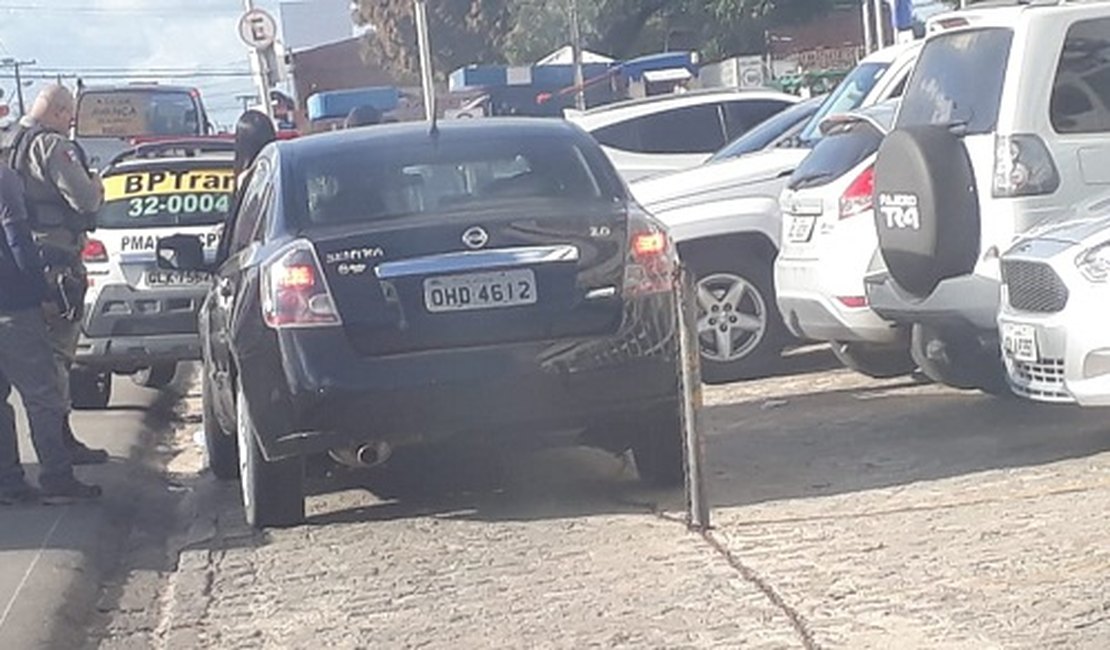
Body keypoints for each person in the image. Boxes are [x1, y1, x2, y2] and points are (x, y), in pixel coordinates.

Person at [1, 85, 108, 465]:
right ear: (62, 112)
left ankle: (19, 471)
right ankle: (58, 458)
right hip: (53, 262)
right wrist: (96, 184)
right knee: (55, 363)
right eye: (70, 116)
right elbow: (84, 199)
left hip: (17, 266)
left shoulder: (7, 141)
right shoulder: (51, 146)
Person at [0, 160, 101, 504]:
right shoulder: (4, 178)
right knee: (43, 395)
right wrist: (40, 292)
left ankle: (8, 482)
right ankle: (56, 476)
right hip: (12, 302)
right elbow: (17, 240)